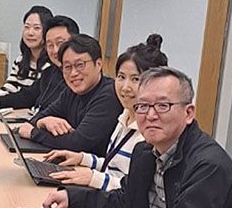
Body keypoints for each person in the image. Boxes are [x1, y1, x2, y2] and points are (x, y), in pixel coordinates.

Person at [41, 66, 232, 208]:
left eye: (162, 106)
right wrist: (72, 197)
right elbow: (125, 204)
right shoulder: (145, 151)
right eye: (142, 106)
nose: (150, 115)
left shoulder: (208, 166)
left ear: (188, 113)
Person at [43, 33, 167, 191]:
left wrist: (92, 178)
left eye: (135, 79)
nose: (125, 87)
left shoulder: (152, 132)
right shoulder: (125, 118)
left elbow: (134, 189)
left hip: (118, 207)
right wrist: (83, 158)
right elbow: (114, 165)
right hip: (106, 196)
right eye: (121, 77)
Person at [17, 34, 121, 156]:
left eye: (80, 65)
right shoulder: (71, 91)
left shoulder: (109, 94)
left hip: (95, 171)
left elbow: (77, 143)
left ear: (98, 64)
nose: (73, 73)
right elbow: (36, 119)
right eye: (67, 67)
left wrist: (34, 133)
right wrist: (43, 122)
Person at [0, 15, 79, 115]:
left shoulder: (78, 78)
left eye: (60, 43)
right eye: (50, 45)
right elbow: (28, 96)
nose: (55, 50)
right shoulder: (50, 72)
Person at [0, 5, 52, 95]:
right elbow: (9, 90)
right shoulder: (21, 60)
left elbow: (37, 99)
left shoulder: (51, 65)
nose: (30, 33)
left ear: (47, 32)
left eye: (37, 28)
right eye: (27, 27)